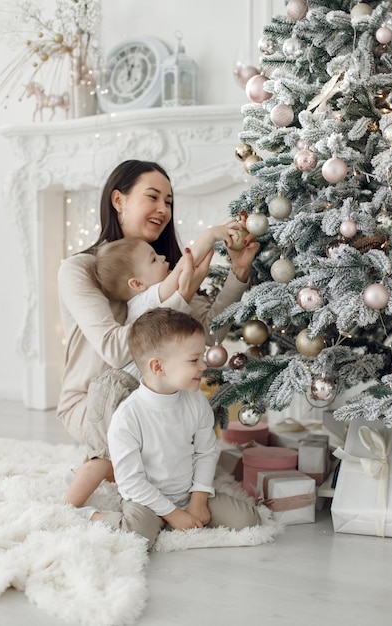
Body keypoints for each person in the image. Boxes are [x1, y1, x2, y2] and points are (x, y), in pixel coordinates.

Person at [57, 160, 259, 501]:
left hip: (150, 401)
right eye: (152, 197)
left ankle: (117, 469)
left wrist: (237, 275)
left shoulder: (165, 272)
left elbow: (207, 337)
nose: (162, 209)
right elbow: (116, 350)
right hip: (94, 403)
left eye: (168, 201)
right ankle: (101, 469)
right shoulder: (80, 270)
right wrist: (178, 291)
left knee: (177, 459)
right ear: (118, 201)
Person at [77, 308, 262, 550]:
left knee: (250, 520)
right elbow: (131, 483)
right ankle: (92, 516)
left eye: (202, 358)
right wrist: (173, 514)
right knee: (136, 536)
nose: (203, 366)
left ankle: (181, 512)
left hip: (186, 492)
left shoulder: (196, 402)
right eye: (194, 360)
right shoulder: (128, 416)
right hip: (146, 499)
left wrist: (198, 500)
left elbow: (206, 453)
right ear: (157, 367)